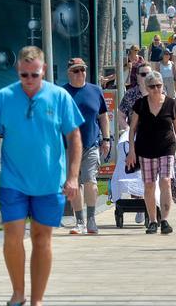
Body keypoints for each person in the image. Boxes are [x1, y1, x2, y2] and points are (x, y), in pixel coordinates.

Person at [0, 46, 83, 306]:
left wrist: (72, 177)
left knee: (41, 238)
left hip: (50, 182)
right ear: (18, 72)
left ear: (44, 71)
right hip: (13, 182)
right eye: (24, 75)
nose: (29, 80)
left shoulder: (59, 97)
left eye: (34, 75)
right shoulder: (4, 98)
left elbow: (74, 137)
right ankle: (18, 294)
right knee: (12, 235)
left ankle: (37, 300)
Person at [125, 71, 176, 234]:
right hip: (145, 149)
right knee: (149, 185)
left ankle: (165, 219)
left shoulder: (170, 104)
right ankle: (152, 220)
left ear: (163, 86)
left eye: (158, 86)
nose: (155, 89)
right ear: (147, 87)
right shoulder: (140, 104)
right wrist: (131, 150)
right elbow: (132, 129)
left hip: (166, 147)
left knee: (166, 181)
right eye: (152, 86)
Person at [62, 58, 110, 235]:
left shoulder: (95, 90)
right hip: (69, 147)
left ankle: (91, 219)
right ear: (69, 73)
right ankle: (79, 221)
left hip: (91, 144)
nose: (80, 73)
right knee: (74, 184)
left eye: (82, 70)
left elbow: (103, 116)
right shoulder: (62, 93)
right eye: (76, 70)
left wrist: (106, 139)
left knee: (90, 180)